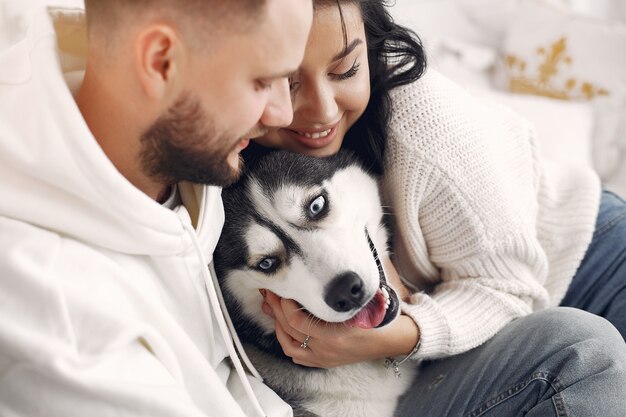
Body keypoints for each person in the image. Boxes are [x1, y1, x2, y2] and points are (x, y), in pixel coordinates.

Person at [251, 0, 626, 415]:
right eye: (288, 83)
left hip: (588, 260)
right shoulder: (238, 143)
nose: (323, 109)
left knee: (586, 352)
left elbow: (511, 287)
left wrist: (398, 337)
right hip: (466, 323)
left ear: (370, 48)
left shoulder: (422, 124)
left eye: (345, 70)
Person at [0, 0, 312, 416]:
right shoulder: (63, 322)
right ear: (161, 62)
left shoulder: (177, 142)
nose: (283, 114)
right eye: (263, 81)